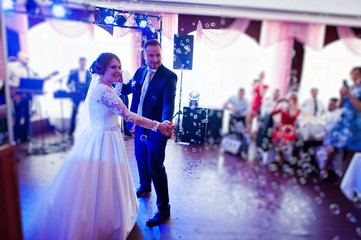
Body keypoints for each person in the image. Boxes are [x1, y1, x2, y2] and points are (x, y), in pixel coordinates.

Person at [25, 52, 175, 239]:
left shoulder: (104, 88)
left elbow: (115, 99)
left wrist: (119, 82)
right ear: (101, 69)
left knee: (106, 180)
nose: (118, 71)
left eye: (119, 67)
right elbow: (127, 115)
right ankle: (101, 220)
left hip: (104, 137)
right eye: (113, 67)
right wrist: (158, 125)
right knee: (102, 180)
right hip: (104, 140)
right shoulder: (102, 91)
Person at [121, 39, 177, 227]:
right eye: (151, 55)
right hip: (139, 124)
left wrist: (165, 122)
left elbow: (169, 102)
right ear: (144, 55)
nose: (154, 59)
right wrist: (118, 80)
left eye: (158, 55)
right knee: (140, 158)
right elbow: (129, 89)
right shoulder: (140, 71)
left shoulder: (169, 76)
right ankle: (145, 187)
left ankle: (163, 210)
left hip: (157, 127)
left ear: (162, 54)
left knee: (156, 166)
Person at [320, 67, 361, 180]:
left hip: (355, 124)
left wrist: (350, 95)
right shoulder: (350, 88)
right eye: (352, 74)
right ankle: (324, 170)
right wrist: (342, 96)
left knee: (350, 151)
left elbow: (359, 107)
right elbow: (339, 106)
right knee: (333, 145)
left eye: (357, 74)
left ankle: (345, 179)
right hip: (342, 121)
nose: (354, 77)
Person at [7, 51, 38, 143]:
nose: (27, 60)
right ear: (20, 58)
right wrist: (17, 84)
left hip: (27, 96)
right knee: (19, 116)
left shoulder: (29, 69)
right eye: (26, 58)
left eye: (28, 59)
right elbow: (6, 80)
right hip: (17, 95)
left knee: (28, 116)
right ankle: (16, 137)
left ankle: (26, 136)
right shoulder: (11, 66)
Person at [271, 92, 300, 166]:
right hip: (281, 128)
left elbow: (295, 117)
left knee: (284, 139)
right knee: (277, 139)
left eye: (294, 99)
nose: (291, 100)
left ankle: (283, 158)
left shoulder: (297, 110)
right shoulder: (283, 107)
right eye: (290, 99)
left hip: (290, 129)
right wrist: (277, 103)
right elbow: (273, 112)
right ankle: (281, 155)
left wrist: (292, 108)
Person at [67, 57, 92, 140]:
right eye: (81, 62)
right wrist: (71, 88)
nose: (82, 64)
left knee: (88, 113)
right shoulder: (73, 72)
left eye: (84, 62)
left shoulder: (88, 73)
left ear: (85, 63)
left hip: (85, 95)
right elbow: (68, 83)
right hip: (76, 94)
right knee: (74, 112)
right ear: (79, 63)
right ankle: (71, 131)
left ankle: (88, 130)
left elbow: (90, 84)